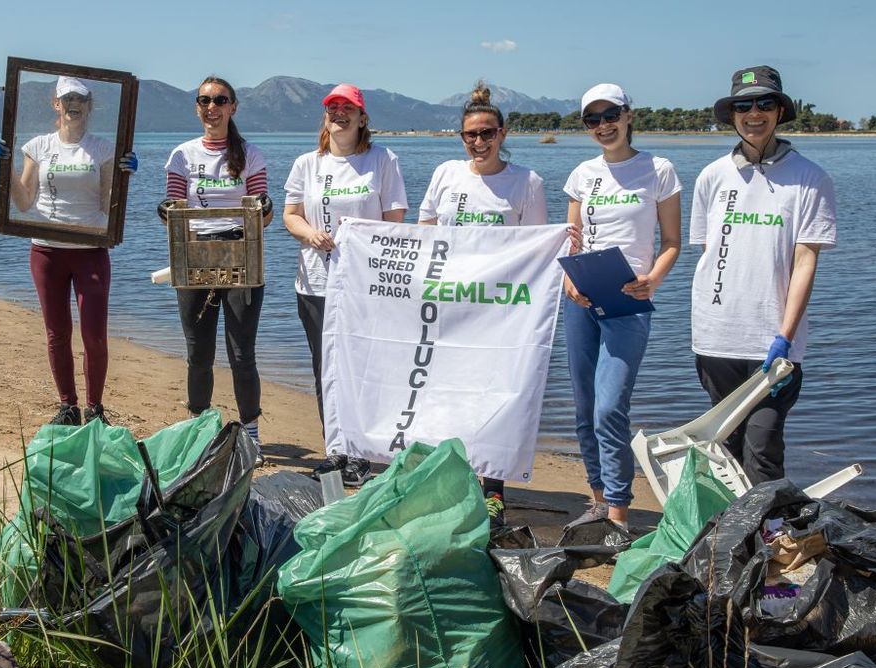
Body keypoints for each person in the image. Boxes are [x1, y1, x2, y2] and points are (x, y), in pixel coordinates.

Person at [690, 65, 837, 483]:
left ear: (780, 111)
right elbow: (710, 252)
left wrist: (785, 338)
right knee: (724, 449)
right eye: (743, 105)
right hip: (716, 336)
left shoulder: (810, 179)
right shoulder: (712, 176)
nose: (754, 113)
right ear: (732, 114)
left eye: (764, 103)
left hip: (774, 342)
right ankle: (730, 539)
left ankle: (768, 537)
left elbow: (805, 262)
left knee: (763, 446)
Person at [418, 81, 547, 523]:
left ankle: (493, 488)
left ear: (503, 134)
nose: (479, 142)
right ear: (462, 137)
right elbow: (424, 233)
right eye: (471, 134)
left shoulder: (526, 182)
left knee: (494, 396)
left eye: (487, 133)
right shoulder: (445, 176)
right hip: (451, 304)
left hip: (502, 311)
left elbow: (537, 249)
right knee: (448, 392)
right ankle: (450, 479)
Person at [562, 83, 681, 529]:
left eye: (610, 115)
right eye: (592, 119)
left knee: (610, 406)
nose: (602, 126)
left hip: (628, 300)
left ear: (629, 115)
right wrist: (568, 279)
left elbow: (672, 242)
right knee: (584, 403)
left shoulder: (658, 170)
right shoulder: (582, 174)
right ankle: (597, 498)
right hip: (581, 298)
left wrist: (654, 279)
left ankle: (618, 512)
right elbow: (570, 241)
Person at [0, 75, 137, 427]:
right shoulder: (38, 146)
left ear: (90, 106)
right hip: (46, 252)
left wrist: (124, 176)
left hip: (90, 251)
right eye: (67, 98)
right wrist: (6, 168)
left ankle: (96, 409)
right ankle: (68, 406)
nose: (74, 104)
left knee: (94, 334)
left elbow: (107, 205)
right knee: (57, 332)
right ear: (55, 104)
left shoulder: (104, 149)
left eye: (81, 99)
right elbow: (25, 203)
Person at [283, 84, 408, 487]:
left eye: (348, 109)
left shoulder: (382, 160)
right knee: (327, 370)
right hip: (316, 283)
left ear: (362, 118)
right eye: (332, 108)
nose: (340, 114)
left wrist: (369, 253)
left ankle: (363, 454)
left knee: (364, 370)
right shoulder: (307, 163)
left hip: (366, 286)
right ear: (325, 117)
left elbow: (395, 221)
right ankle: (335, 450)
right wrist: (310, 235)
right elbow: (290, 215)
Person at [163, 75, 273, 462]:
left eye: (220, 100)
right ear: (197, 107)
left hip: (241, 257)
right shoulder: (181, 155)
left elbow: (263, 214)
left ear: (233, 107)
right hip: (194, 257)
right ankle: (198, 430)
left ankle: (253, 434)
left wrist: (265, 209)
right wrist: (167, 211)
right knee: (199, 352)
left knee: (242, 353)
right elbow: (173, 212)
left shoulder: (250, 154)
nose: (212, 107)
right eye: (205, 100)